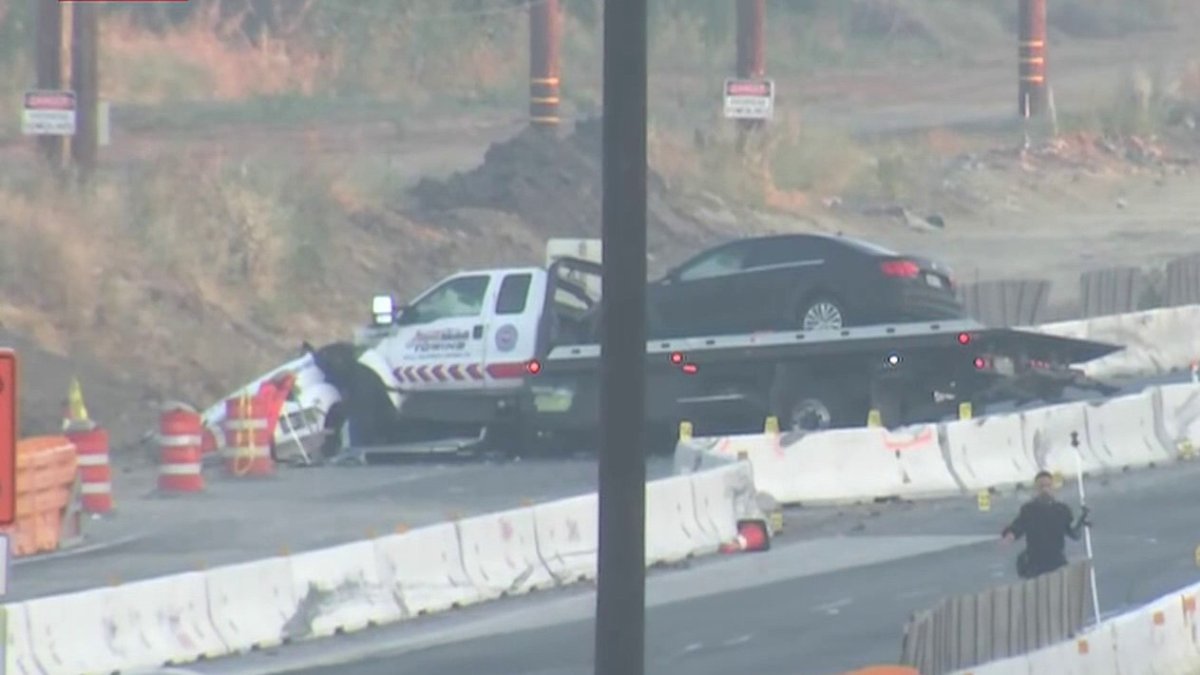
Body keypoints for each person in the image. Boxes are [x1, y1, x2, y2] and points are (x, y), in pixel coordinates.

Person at [1001, 470, 1091, 580]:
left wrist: (1081, 520)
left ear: (1053, 488)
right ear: (1036, 489)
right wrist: (1010, 535)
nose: (1045, 490)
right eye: (1041, 487)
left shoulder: (1062, 510)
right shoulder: (1029, 510)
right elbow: (1019, 526)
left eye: (1048, 486)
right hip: (1035, 565)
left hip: (1057, 563)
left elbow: (1073, 533)